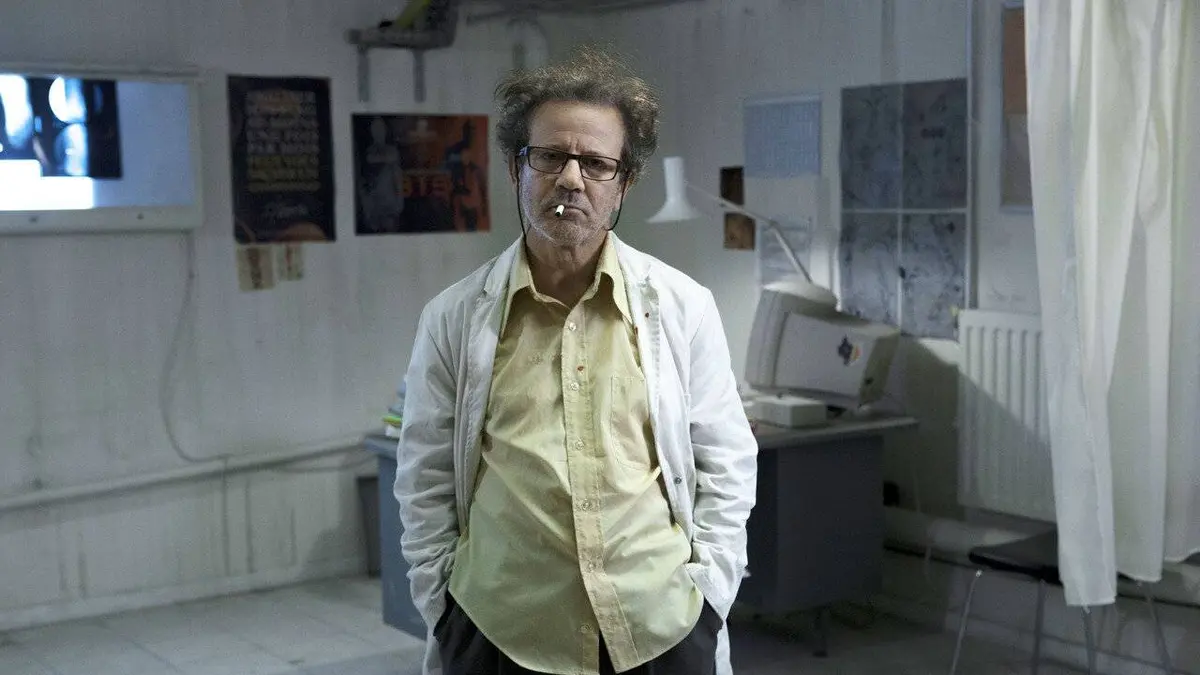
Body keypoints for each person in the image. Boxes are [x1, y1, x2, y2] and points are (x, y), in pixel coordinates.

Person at [395, 46, 757, 675]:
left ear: (624, 183)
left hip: (660, 629)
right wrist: (445, 611)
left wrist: (709, 599)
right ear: (516, 168)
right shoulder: (453, 318)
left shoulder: (683, 308)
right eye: (549, 157)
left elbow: (726, 463)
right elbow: (423, 478)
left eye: (595, 163)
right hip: (502, 633)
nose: (570, 179)